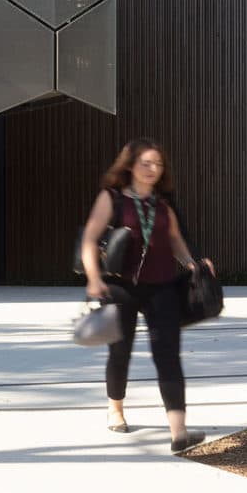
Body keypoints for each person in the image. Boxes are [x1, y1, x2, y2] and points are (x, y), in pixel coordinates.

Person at [79, 138, 215, 454]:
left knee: (168, 357)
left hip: (162, 287)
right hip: (121, 288)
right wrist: (93, 278)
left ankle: (179, 432)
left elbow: (175, 240)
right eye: (146, 163)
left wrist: (192, 264)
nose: (154, 169)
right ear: (130, 166)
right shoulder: (112, 198)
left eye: (159, 164)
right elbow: (90, 239)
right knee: (120, 352)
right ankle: (115, 408)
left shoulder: (162, 203)